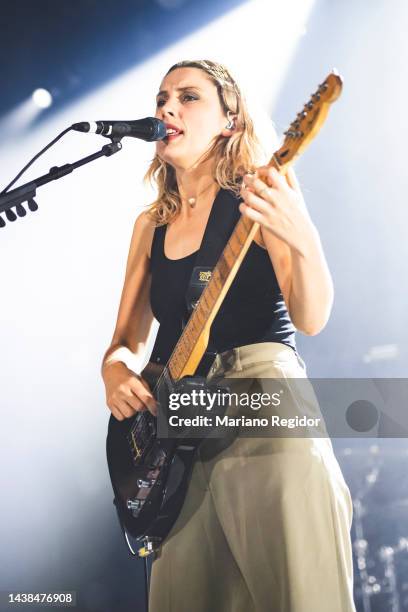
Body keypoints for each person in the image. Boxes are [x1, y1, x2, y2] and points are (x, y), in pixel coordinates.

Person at [101, 59, 356, 612]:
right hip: (179, 426)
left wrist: (303, 235)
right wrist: (115, 371)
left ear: (229, 121)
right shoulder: (150, 225)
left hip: (262, 403)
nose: (167, 107)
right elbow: (126, 340)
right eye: (163, 97)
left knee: (301, 595)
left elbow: (312, 318)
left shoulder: (265, 191)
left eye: (188, 97)